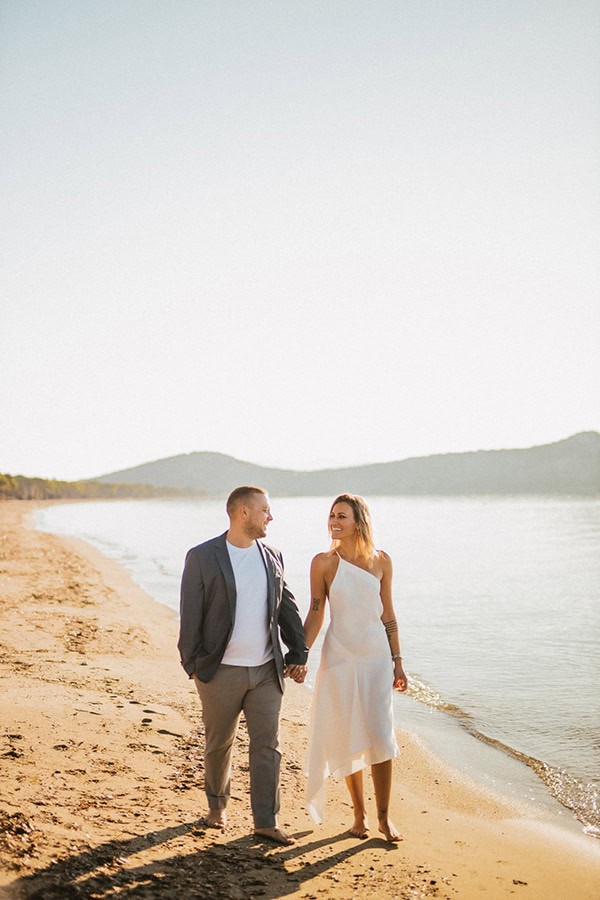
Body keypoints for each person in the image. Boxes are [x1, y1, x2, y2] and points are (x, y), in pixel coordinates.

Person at [178, 485, 308, 845]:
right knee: (219, 743)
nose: (271, 516)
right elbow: (190, 614)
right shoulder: (203, 556)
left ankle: (266, 820)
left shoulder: (273, 555)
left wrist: (299, 652)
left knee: (268, 747)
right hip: (220, 671)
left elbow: (287, 608)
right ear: (242, 513)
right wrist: (192, 664)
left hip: (267, 669)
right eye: (265, 509)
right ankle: (217, 806)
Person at [303, 493, 408, 842]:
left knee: (380, 734)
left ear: (358, 521)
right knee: (349, 733)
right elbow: (316, 612)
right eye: (332, 515)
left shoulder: (382, 561)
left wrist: (398, 662)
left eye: (342, 516)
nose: (334, 521)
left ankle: (384, 817)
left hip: (376, 657)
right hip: (340, 656)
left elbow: (388, 614)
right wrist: (300, 653)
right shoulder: (323, 563)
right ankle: (359, 816)